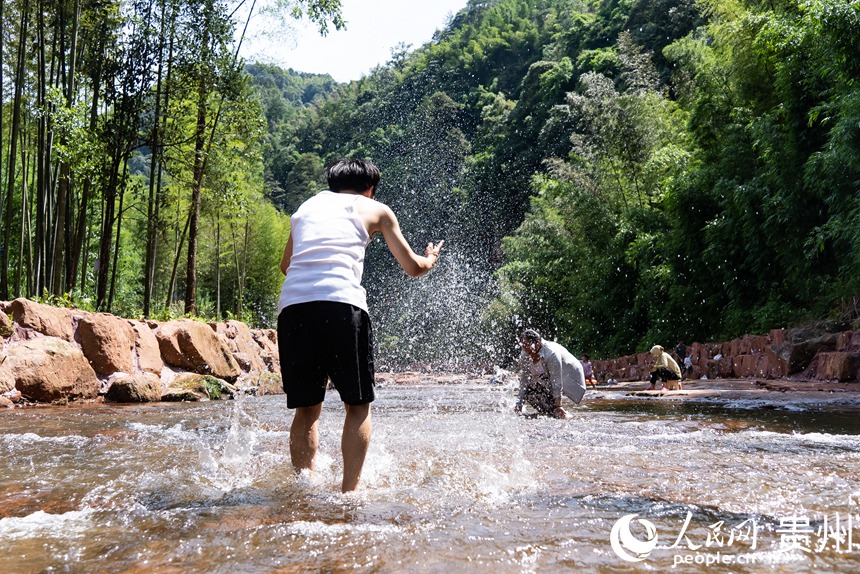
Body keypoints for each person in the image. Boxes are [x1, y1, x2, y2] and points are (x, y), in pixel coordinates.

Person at [277, 158, 443, 492]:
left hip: (293, 308)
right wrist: (431, 259)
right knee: (357, 404)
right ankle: (349, 492)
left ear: (332, 183)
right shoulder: (376, 209)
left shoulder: (305, 208)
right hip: (342, 306)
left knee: (307, 407)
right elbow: (413, 267)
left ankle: (302, 488)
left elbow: (286, 266)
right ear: (370, 189)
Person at [515, 329, 586, 418]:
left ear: (537, 343)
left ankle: (563, 413)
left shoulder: (551, 354)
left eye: (528, 345)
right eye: (523, 346)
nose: (526, 349)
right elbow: (524, 379)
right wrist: (519, 404)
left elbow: (556, 381)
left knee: (556, 403)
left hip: (570, 374)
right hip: (547, 377)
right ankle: (548, 412)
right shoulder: (525, 353)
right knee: (529, 390)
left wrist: (558, 406)